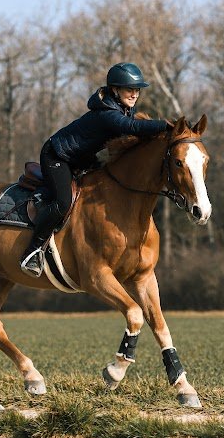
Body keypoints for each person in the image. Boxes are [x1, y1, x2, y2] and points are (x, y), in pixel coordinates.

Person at [20, 62, 169, 277]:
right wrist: (166, 125)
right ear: (115, 90)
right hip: (57, 156)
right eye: (130, 89)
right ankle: (33, 250)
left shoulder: (125, 109)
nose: (135, 94)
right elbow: (132, 127)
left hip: (82, 159)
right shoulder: (107, 113)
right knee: (63, 201)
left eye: (137, 90)